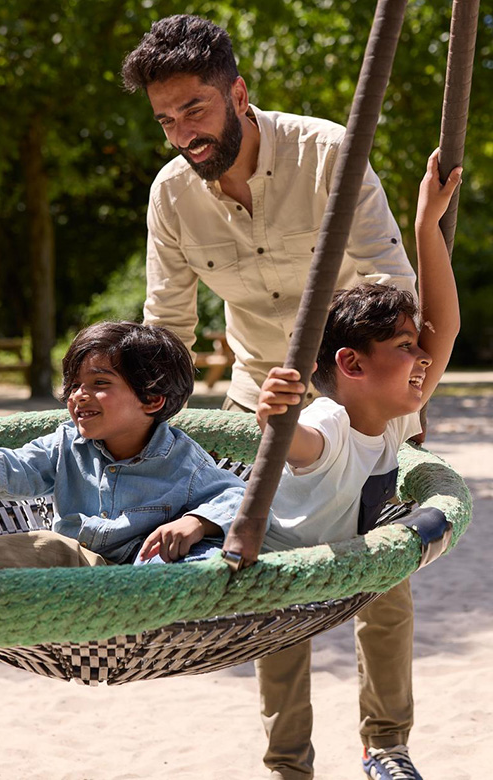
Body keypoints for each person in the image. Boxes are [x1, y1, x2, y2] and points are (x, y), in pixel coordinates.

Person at [121, 14, 432, 780]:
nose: (183, 134)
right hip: (257, 396)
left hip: (356, 395)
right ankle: (288, 765)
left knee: (379, 574)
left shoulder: (329, 152)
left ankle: (385, 747)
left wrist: (337, 385)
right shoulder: (172, 196)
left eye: (195, 109)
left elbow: (394, 289)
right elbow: (166, 328)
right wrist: (143, 417)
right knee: (268, 581)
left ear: (239, 93)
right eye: (166, 120)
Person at [255, 150, 460, 780]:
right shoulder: (328, 421)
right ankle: (289, 767)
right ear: (351, 365)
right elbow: (296, 444)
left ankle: (386, 749)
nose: (422, 357)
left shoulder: (396, 407)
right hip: (285, 563)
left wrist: (426, 225)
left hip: (349, 551)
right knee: (283, 649)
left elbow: (443, 326)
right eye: (404, 349)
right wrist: (274, 415)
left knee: (389, 599)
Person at [0, 321, 246, 570]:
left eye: (99, 382)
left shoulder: (184, 462)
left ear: (151, 399)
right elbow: (24, 468)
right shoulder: (67, 443)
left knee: (208, 555)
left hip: (141, 581)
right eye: (75, 384)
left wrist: (198, 522)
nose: (78, 395)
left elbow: (242, 498)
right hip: (72, 576)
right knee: (47, 547)